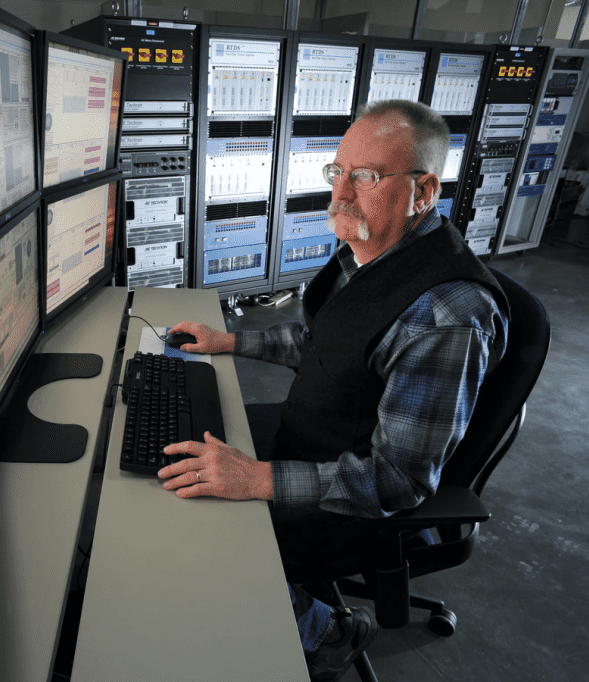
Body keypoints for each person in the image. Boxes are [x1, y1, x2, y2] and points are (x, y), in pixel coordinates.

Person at [158, 99, 509, 680]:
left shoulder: (445, 315)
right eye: (337, 172)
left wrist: (256, 478)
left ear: (422, 192)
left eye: (366, 177)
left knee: (189, 530)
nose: (341, 194)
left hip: (353, 498)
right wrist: (231, 343)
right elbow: (326, 342)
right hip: (314, 438)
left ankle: (327, 630)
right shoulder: (371, 252)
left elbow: (398, 481)